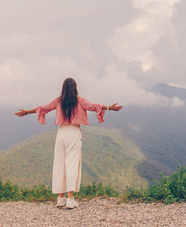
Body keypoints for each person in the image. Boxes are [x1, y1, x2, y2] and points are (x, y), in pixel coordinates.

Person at [15, 78, 123, 209]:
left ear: (63, 88)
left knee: (59, 163)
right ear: (75, 88)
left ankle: (60, 198)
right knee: (71, 164)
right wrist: (110, 108)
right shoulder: (80, 100)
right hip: (74, 132)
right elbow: (95, 107)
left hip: (61, 133)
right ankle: (70, 199)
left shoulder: (58, 101)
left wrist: (26, 112)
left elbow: (42, 108)